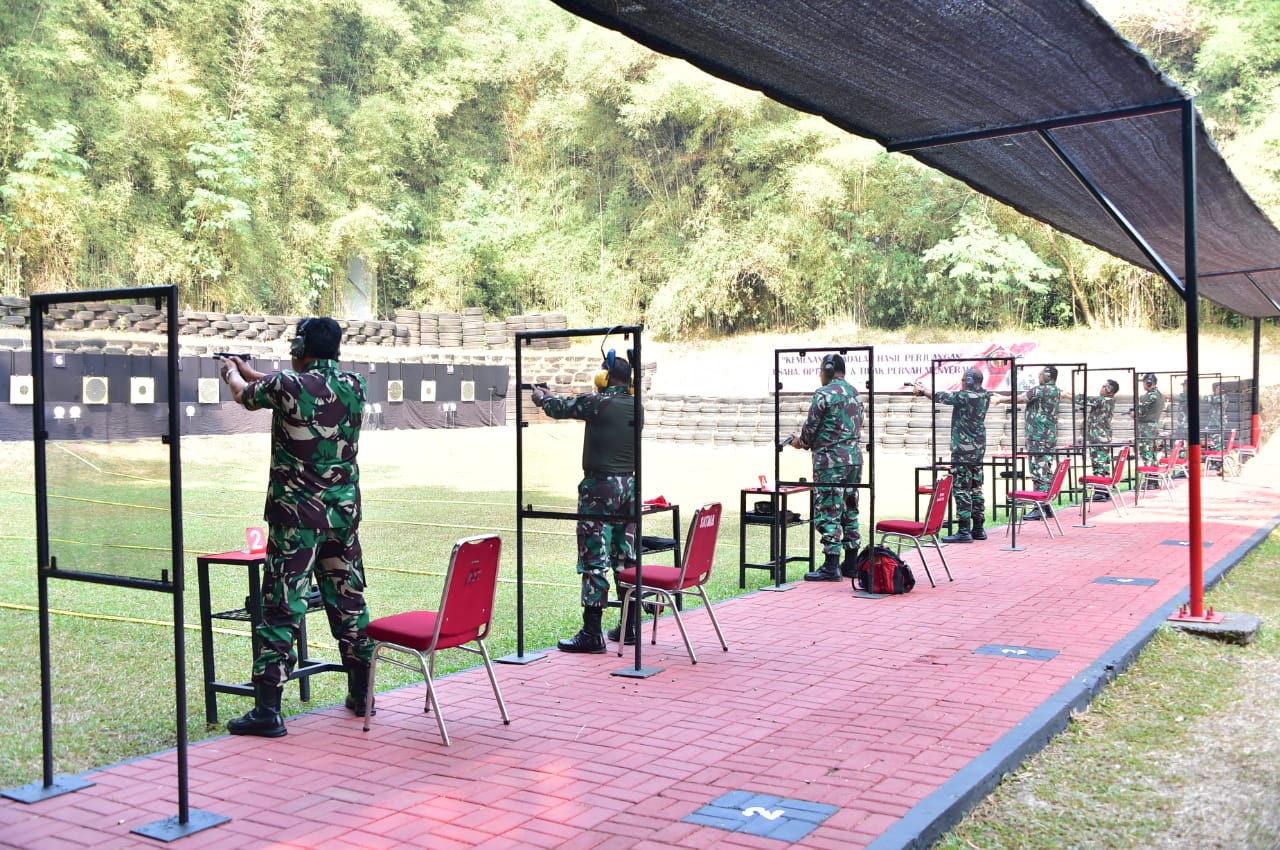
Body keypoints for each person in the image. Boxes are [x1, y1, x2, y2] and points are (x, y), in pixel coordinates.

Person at [219, 317, 375, 737]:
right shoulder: (355, 384)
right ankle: (363, 691)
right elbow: (282, 384)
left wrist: (232, 372)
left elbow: (244, 394)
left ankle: (268, 708)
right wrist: (254, 372)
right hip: (341, 517)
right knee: (347, 600)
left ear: (301, 345)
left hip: (296, 522)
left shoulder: (287, 387)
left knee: (281, 607)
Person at [531, 355, 640, 652]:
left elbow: (560, 408)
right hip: (630, 487)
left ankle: (592, 632)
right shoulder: (635, 404)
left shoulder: (599, 402)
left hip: (600, 490)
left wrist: (542, 398)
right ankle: (629, 626)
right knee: (625, 556)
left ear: (606, 378)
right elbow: (577, 403)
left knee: (594, 557)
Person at [786, 353, 865, 582]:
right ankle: (851, 561)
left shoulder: (824, 393)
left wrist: (798, 442)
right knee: (850, 507)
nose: (820, 374)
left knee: (829, 509)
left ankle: (831, 565)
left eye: (821, 370)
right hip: (853, 460)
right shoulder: (855, 393)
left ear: (828, 370)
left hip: (830, 462)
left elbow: (810, 431)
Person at [914, 368, 991, 543]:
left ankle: (964, 530)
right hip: (978, 448)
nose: (962, 382)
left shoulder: (966, 396)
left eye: (964, 379)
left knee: (962, 488)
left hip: (963, 450)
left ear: (970, 381)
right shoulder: (985, 395)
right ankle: (978, 527)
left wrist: (923, 391)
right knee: (976, 487)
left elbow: (942, 397)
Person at [1075, 379, 1119, 501]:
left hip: (1098, 437)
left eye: (1104, 387)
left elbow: (1082, 399)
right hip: (1103, 436)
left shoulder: (1102, 401)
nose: (1101, 388)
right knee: (1104, 464)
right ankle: (1105, 489)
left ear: (1109, 390)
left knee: (1098, 464)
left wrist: (1066, 395)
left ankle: (1100, 491)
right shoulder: (1110, 401)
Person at [1136, 372, 1167, 473]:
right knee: (1153, 452)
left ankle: (1151, 478)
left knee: (1146, 451)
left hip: (1146, 427)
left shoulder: (1150, 395)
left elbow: (1141, 412)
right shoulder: (1159, 395)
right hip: (1153, 426)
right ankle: (1153, 478)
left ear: (1149, 383)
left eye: (1145, 382)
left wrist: (1134, 413)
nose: (1144, 385)